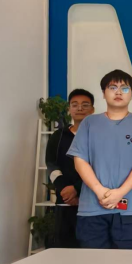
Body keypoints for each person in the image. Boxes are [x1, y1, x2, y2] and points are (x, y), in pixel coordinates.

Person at [68, 69, 132, 249]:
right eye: (112, 87)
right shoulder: (89, 123)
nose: (118, 92)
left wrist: (120, 193)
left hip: (131, 209)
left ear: (131, 94)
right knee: (92, 262)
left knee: (127, 263)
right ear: (103, 93)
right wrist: (99, 190)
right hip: (92, 208)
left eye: (124, 88)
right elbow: (79, 161)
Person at [45, 88, 95, 248]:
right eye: (75, 105)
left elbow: (101, 168)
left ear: (92, 109)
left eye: (85, 105)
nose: (80, 108)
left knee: (91, 250)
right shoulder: (58, 136)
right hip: (65, 202)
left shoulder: (100, 137)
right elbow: (51, 165)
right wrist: (65, 189)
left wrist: (77, 189)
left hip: (91, 203)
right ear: (69, 109)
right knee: (65, 250)